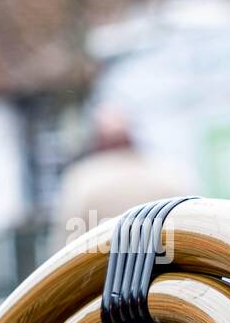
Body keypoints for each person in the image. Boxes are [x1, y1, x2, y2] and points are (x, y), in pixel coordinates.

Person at [52, 105, 191, 246]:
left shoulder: (82, 179)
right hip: (165, 261)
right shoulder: (167, 173)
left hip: (102, 263)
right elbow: (189, 224)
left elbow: (65, 241)